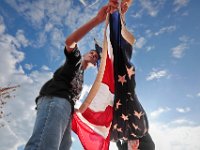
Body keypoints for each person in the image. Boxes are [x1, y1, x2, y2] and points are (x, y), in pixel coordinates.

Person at [24, 2, 118, 150]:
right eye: (92, 53)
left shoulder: (81, 79)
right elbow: (69, 41)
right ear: (86, 54)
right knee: (44, 145)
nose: (94, 55)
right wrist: (97, 19)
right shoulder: (75, 61)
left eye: (96, 56)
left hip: (66, 109)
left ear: (95, 63)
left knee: (64, 145)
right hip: (55, 100)